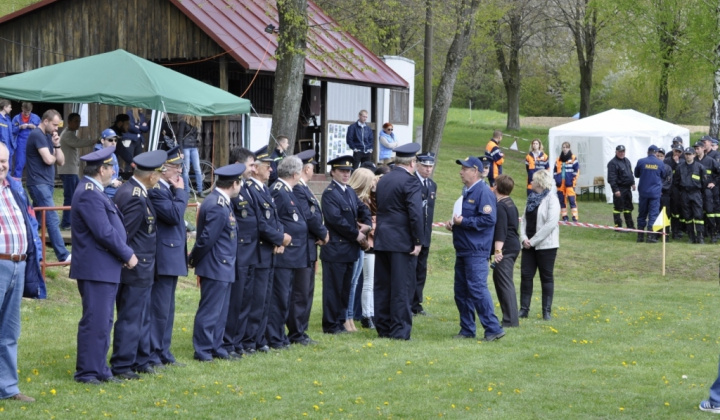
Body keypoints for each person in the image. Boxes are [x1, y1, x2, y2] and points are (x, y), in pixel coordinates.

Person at [70, 147, 137, 385]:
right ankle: (88, 372)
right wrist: (127, 254)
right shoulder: (89, 192)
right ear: (102, 169)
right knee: (95, 321)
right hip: (96, 268)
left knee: (103, 321)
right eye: (112, 167)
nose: (114, 171)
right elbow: (104, 232)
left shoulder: (96, 191)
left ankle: (100, 369)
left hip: (103, 267)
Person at [110, 150, 166, 379]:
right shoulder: (134, 195)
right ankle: (123, 364)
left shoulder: (135, 191)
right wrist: (127, 260)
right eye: (159, 174)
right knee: (131, 317)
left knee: (141, 316)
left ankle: (140, 359)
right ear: (152, 176)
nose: (160, 178)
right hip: (134, 268)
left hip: (142, 267)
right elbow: (125, 236)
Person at [189, 163, 245, 362]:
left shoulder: (221, 201)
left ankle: (216, 346)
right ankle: (203, 349)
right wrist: (193, 259)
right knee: (211, 310)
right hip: (215, 265)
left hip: (224, 265)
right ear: (234, 183)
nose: (240, 187)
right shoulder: (216, 205)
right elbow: (206, 239)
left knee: (221, 311)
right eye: (240, 183)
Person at [445, 156, 505, 341]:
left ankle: (493, 328)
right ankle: (467, 329)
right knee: (461, 292)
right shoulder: (467, 192)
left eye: (465, 168)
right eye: (461, 168)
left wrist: (464, 221)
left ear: (475, 171)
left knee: (477, 289)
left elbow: (489, 220)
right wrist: (454, 224)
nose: (461, 171)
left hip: (476, 250)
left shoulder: (483, 192)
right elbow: (464, 218)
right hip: (463, 249)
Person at [0, 142, 40, 401]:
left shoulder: (13, 187)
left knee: (9, 332)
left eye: (5, 161)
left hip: (19, 263)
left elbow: (29, 222)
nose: (2, 166)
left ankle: (8, 388)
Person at [242, 146, 290, 353]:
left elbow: (275, 219)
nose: (271, 170)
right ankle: (250, 340)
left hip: (270, 251)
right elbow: (260, 223)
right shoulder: (251, 190)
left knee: (266, 299)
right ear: (255, 169)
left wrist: (279, 239)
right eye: (267, 166)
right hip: (260, 251)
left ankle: (259, 338)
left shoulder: (263, 189)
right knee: (257, 299)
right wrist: (279, 238)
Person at [374, 143, 423, 340]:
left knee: (383, 285)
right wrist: (418, 240)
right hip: (402, 240)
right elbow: (416, 214)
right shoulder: (410, 182)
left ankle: (384, 327)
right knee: (402, 286)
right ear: (412, 162)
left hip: (383, 238)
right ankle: (400, 330)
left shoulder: (384, 179)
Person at [320, 155, 372, 334]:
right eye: (342, 171)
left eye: (348, 171)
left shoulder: (348, 191)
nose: (345, 174)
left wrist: (367, 224)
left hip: (349, 248)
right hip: (336, 248)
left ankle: (341, 321)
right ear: (333, 172)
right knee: (333, 289)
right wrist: (356, 233)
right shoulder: (329, 194)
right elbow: (336, 220)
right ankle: (331, 324)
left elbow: (363, 208)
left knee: (344, 289)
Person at [146, 147, 188, 368]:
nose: (180, 172)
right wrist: (180, 191)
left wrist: (178, 190)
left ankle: (164, 351)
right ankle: (153, 353)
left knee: (168, 309)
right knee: (159, 309)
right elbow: (173, 215)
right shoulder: (156, 191)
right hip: (163, 256)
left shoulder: (169, 189)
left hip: (172, 255)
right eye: (176, 167)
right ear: (163, 170)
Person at [267, 156, 307, 349]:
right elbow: (274, 219)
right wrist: (280, 237)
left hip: (294, 253)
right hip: (284, 252)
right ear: (295, 173)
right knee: (280, 297)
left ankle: (280, 336)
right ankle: (275, 337)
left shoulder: (287, 191)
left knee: (287, 295)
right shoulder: (278, 191)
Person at [223, 147, 260, 356]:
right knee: (235, 301)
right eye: (251, 165)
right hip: (239, 252)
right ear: (238, 164)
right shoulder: (231, 186)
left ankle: (237, 342)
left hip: (251, 250)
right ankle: (228, 342)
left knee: (246, 300)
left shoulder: (246, 187)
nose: (254, 169)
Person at [289, 149, 328, 344]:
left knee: (307, 291)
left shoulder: (303, 188)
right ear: (306, 168)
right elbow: (308, 216)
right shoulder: (297, 189)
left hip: (309, 246)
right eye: (312, 168)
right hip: (302, 247)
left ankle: (301, 331)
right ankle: (297, 332)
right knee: (300, 292)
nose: (313, 171)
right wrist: (322, 233)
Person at [25, 109, 71, 262]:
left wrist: (57, 145)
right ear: (45, 121)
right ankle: (63, 255)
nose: (56, 128)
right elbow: (48, 160)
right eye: (54, 124)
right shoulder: (37, 135)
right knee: (52, 218)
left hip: (46, 184)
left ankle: (28, 251)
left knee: (34, 221)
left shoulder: (48, 137)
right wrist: (53, 154)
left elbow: (61, 161)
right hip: (38, 183)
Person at [519, 169, 560, 320]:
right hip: (528, 244)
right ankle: (524, 310)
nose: (531, 182)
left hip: (546, 246)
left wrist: (533, 241)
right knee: (526, 276)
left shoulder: (552, 199)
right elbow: (523, 220)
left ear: (540, 183)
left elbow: (550, 224)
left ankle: (546, 312)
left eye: (533, 180)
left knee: (546, 277)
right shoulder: (531, 198)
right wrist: (523, 238)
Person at [347, 168, 377, 332]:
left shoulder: (367, 199)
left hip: (367, 244)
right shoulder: (358, 199)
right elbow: (363, 225)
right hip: (364, 244)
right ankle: (365, 314)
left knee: (363, 282)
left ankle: (363, 314)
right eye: (371, 180)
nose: (374, 183)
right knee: (364, 282)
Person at [58, 113, 96, 230]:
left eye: (79, 121)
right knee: (70, 197)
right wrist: (94, 140)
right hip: (68, 171)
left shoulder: (69, 133)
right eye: (75, 121)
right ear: (69, 122)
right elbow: (79, 143)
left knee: (76, 196)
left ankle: (71, 220)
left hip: (71, 171)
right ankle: (66, 223)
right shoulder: (67, 135)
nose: (78, 123)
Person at [492, 174, 520, 328]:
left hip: (506, 248)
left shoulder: (501, 206)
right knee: (501, 279)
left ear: (497, 186)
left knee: (504, 282)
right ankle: (509, 318)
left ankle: (510, 321)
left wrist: (498, 251)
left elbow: (501, 230)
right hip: (512, 246)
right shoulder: (510, 203)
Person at [412, 152, 437, 316]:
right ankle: (408, 301)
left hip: (426, 234)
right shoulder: (412, 182)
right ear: (417, 165)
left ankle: (416, 303)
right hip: (413, 235)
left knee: (421, 270)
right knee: (411, 270)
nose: (428, 170)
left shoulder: (432, 185)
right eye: (425, 166)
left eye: (430, 166)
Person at [673, 147, 706, 244]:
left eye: (690, 154)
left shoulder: (700, 167)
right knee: (687, 216)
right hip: (684, 193)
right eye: (686, 154)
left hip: (696, 193)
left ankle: (700, 237)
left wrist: (699, 192)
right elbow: (676, 182)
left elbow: (704, 183)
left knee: (698, 215)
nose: (688, 156)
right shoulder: (680, 167)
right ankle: (691, 237)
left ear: (694, 155)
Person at [634, 145, 666, 243]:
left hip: (643, 192)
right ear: (656, 153)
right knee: (653, 214)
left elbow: (636, 174)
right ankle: (650, 236)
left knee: (642, 213)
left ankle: (640, 236)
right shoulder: (660, 163)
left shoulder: (641, 161)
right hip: (655, 193)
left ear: (648, 152)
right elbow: (663, 175)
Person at [696, 140, 720, 243]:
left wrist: (714, 182)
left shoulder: (710, 161)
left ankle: (713, 234)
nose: (696, 150)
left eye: (698, 148)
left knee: (710, 212)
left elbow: (718, 174)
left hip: (707, 191)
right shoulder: (694, 161)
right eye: (695, 149)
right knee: (699, 214)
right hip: (697, 191)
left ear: (703, 149)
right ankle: (701, 235)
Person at [606, 145, 636, 229]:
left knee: (628, 207)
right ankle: (618, 226)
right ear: (616, 152)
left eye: (623, 151)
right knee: (618, 208)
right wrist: (615, 190)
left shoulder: (627, 161)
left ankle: (630, 226)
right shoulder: (612, 163)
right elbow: (611, 178)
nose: (621, 153)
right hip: (619, 188)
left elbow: (630, 173)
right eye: (619, 151)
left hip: (627, 188)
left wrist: (633, 183)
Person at [10, 102, 40, 178]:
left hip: (33, 143)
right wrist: (19, 127)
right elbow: (11, 131)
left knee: (33, 164)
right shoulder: (16, 118)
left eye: (28, 112)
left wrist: (34, 127)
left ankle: (34, 183)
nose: (27, 114)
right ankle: (17, 185)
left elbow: (41, 130)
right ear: (22, 108)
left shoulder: (36, 118)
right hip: (21, 143)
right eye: (25, 112)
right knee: (19, 164)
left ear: (31, 109)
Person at [178, 115, 204, 195]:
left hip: (193, 147)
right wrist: (181, 151)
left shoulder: (196, 123)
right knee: (186, 170)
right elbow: (180, 136)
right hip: (185, 147)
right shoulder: (183, 122)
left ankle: (200, 190)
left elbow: (196, 136)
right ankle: (187, 190)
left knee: (198, 169)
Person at [554, 141, 579, 221]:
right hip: (560, 183)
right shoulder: (558, 159)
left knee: (572, 199)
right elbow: (554, 171)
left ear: (569, 148)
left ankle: (575, 217)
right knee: (562, 200)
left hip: (569, 182)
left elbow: (576, 170)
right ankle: (564, 216)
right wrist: (556, 178)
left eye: (566, 147)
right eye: (563, 147)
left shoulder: (573, 158)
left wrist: (572, 179)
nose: (564, 149)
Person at [94, 129, 122, 199]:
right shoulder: (98, 155)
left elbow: (114, 173)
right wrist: (112, 183)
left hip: (115, 192)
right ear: (102, 141)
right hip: (103, 193)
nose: (113, 142)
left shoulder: (113, 155)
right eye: (110, 140)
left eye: (115, 140)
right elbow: (95, 177)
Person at [665, 144, 685, 239]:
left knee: (676, 212)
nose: (677, 153)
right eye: (676, 151)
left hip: (677, 189)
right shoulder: (667, 160)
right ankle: (666, 231)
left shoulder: (682, 162)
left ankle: (676, 231)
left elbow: (682, 174)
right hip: (667, 189)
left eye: (679, 152)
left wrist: (677, 163)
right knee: (666, 210)